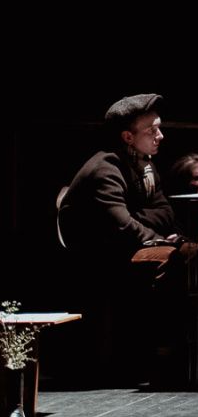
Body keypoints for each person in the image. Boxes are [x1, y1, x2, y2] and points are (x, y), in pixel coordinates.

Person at [57, 94, 190, 382]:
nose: (160, 136)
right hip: (96, 256)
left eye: (159, 128)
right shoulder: (106, 169)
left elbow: (164, 212)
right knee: (172, 258)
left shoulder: (144, 164)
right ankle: (156, 354)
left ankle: (176, 350)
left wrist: (139, 219)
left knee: (190, 252)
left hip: (122, 246)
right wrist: (157, 237)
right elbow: (122, 226)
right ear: (128, 137)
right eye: (152, 130)